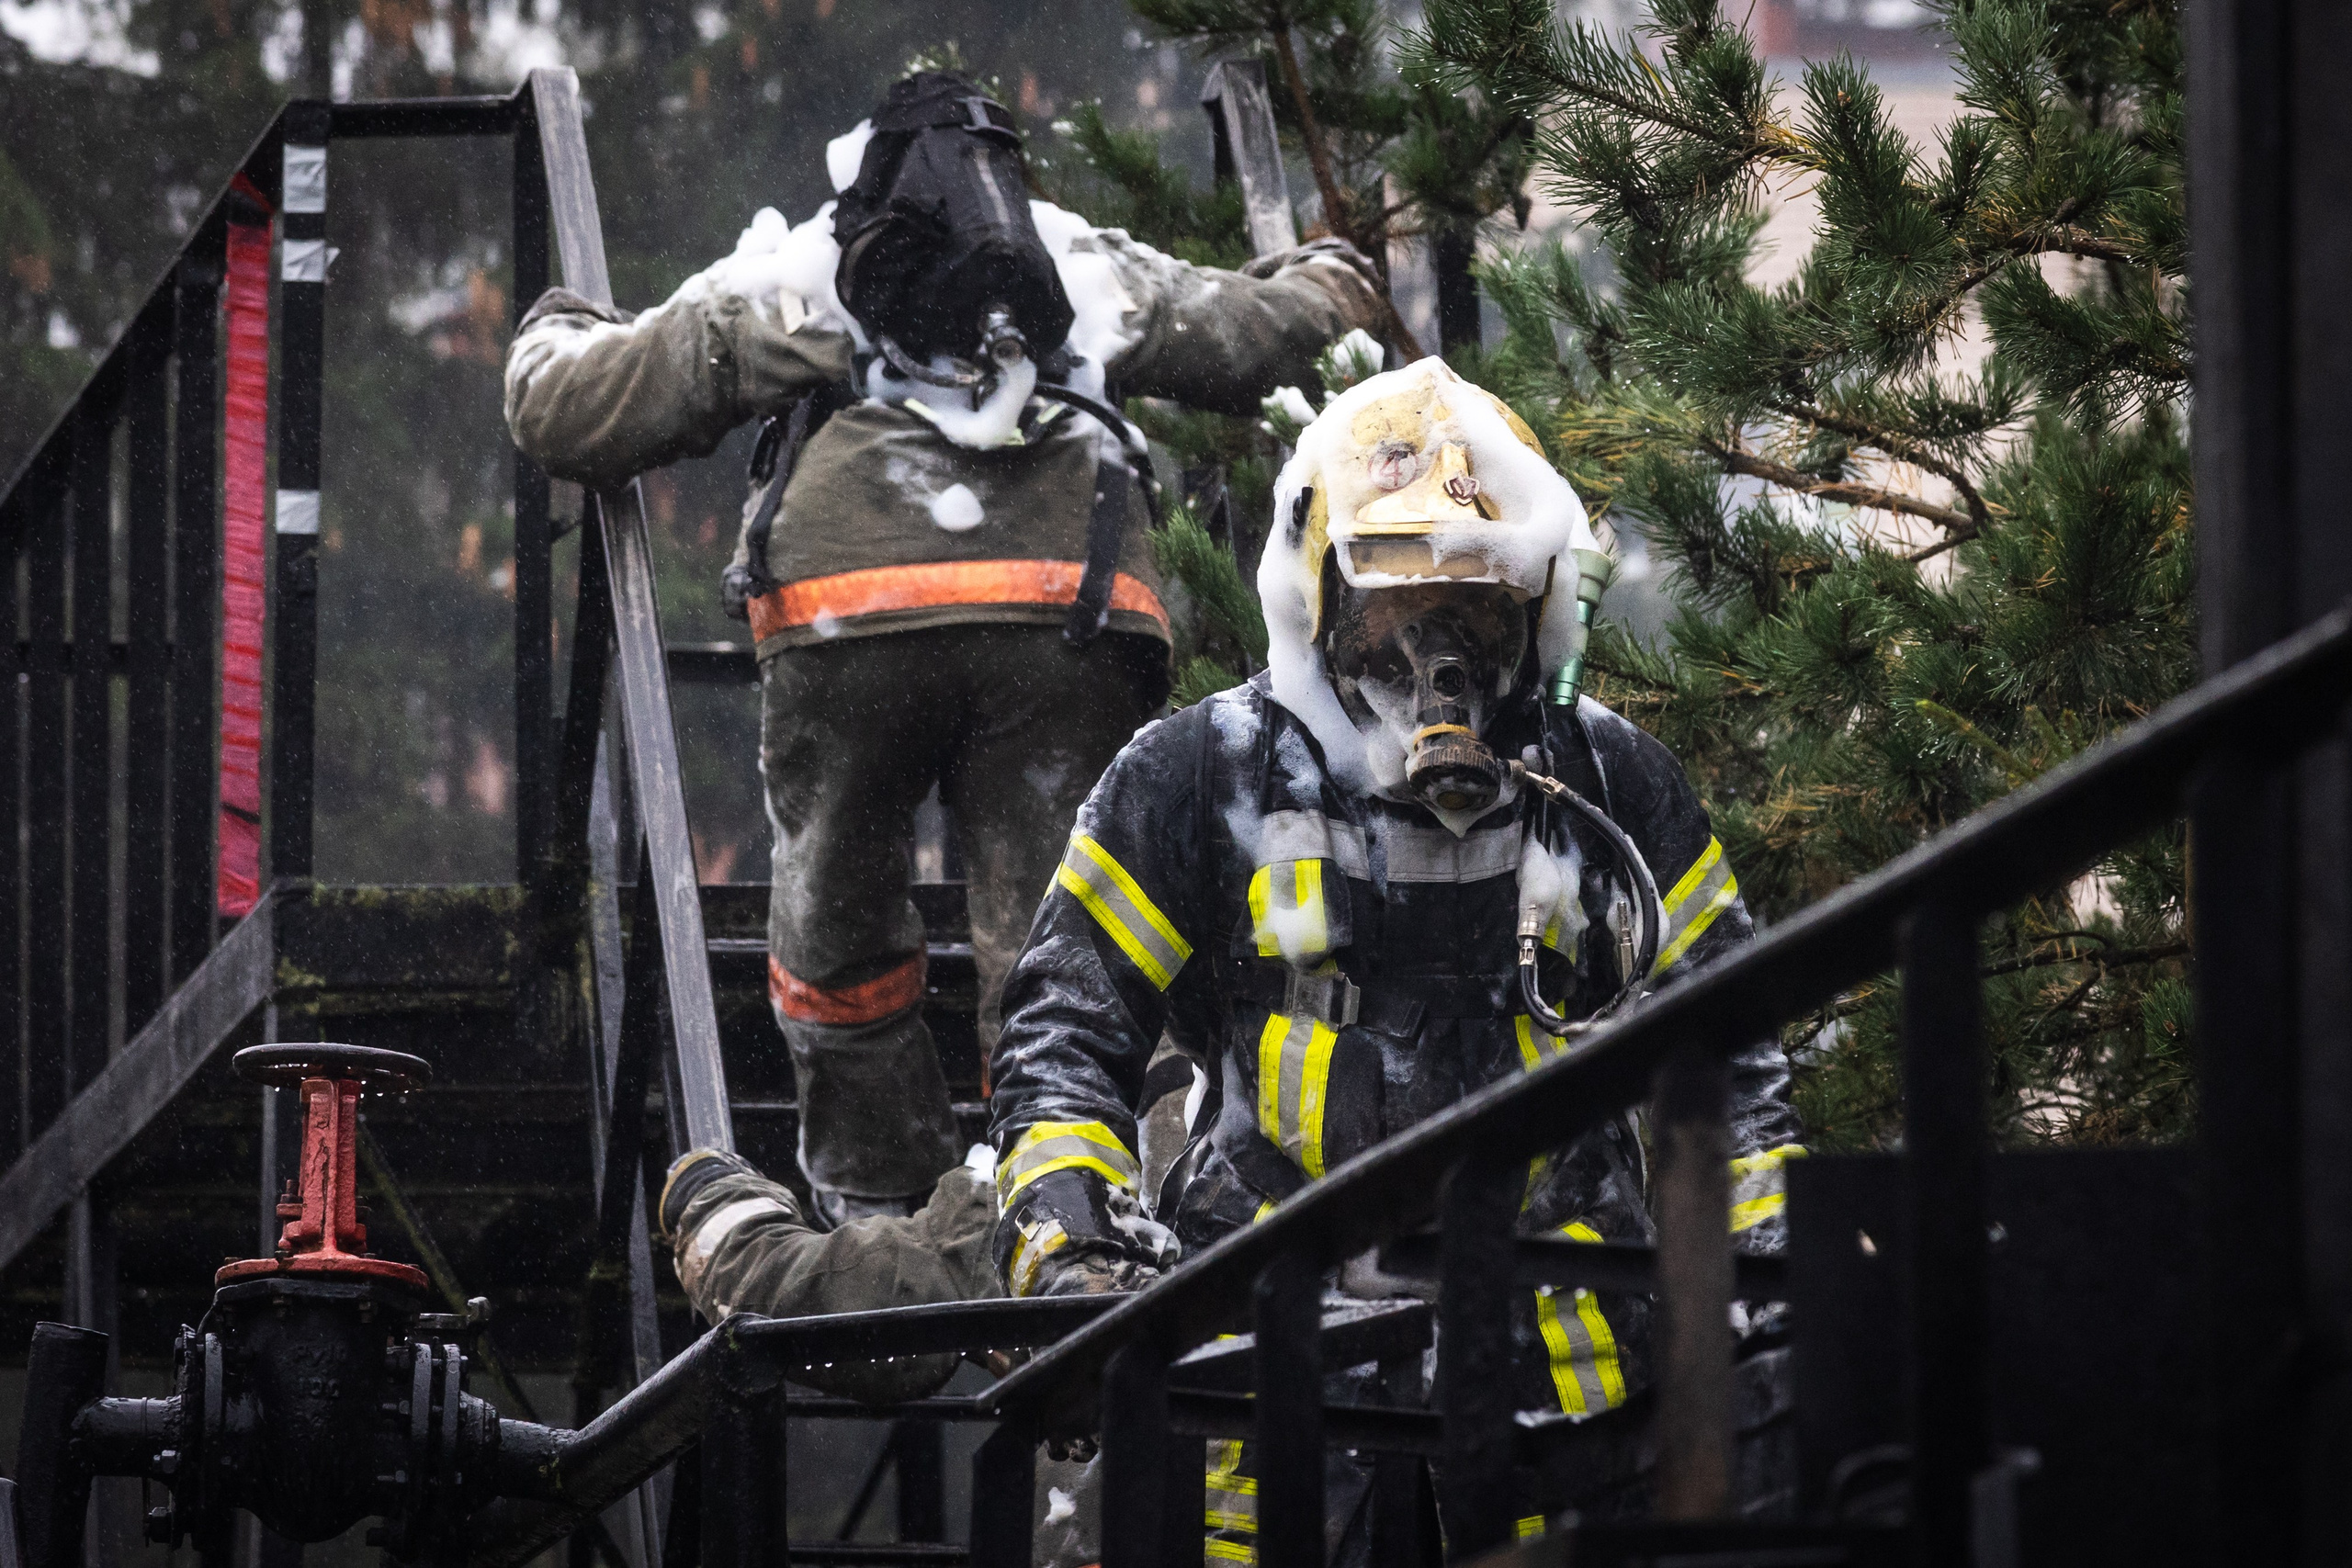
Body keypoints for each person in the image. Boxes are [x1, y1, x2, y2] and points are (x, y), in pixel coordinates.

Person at [505, 70, 1382, 1225]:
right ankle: (1108, 1217)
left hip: (849, 616)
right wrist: (1325, 277)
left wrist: (554, 329)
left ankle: (882, 1222)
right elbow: (1249, 337)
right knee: (1074, 933)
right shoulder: (1074, 263)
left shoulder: (808, 274)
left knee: (841, 926)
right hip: (1073, 611)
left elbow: (574, 411)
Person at [983, 357, 1808, 1542]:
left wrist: (1770, 1277)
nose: (1437, 653)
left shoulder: (1607, 785)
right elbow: (1065, 1027)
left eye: (1474, 603)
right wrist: (1073, 1251)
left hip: (1566, 1398)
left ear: (1534, 610)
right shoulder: (1200, 775)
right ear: (1318, 598)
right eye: (1393, 602)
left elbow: (1733, 1063)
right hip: (1272, 1390)